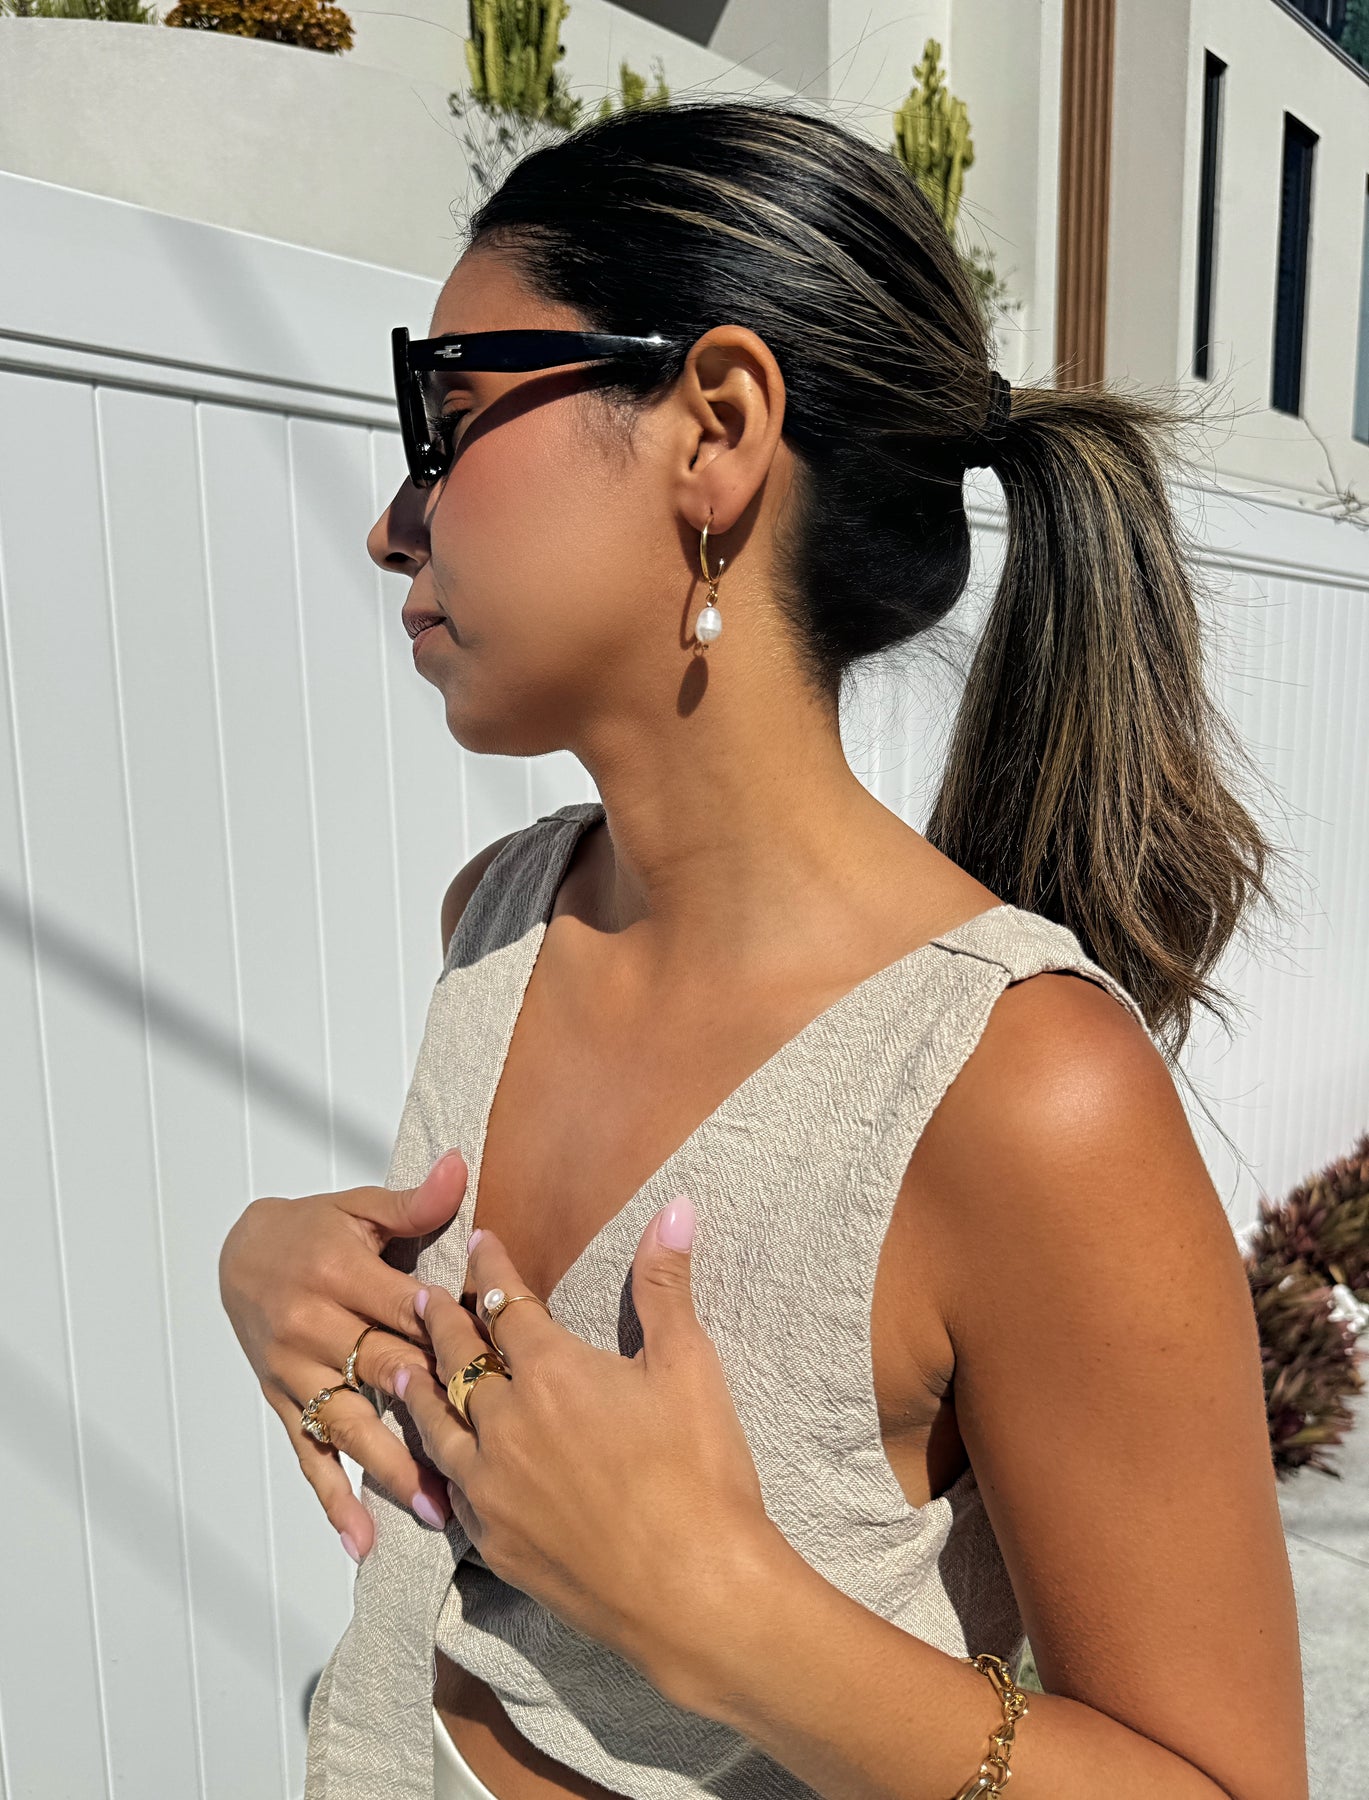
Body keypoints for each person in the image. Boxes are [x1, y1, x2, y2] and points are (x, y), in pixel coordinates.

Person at [219, 96, 1307, 1800]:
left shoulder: (1023, 1092)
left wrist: (719, 1612)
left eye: (449, 413)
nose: (395, 520)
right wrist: (278, 1274)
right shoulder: (498, 919)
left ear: (714, 430)